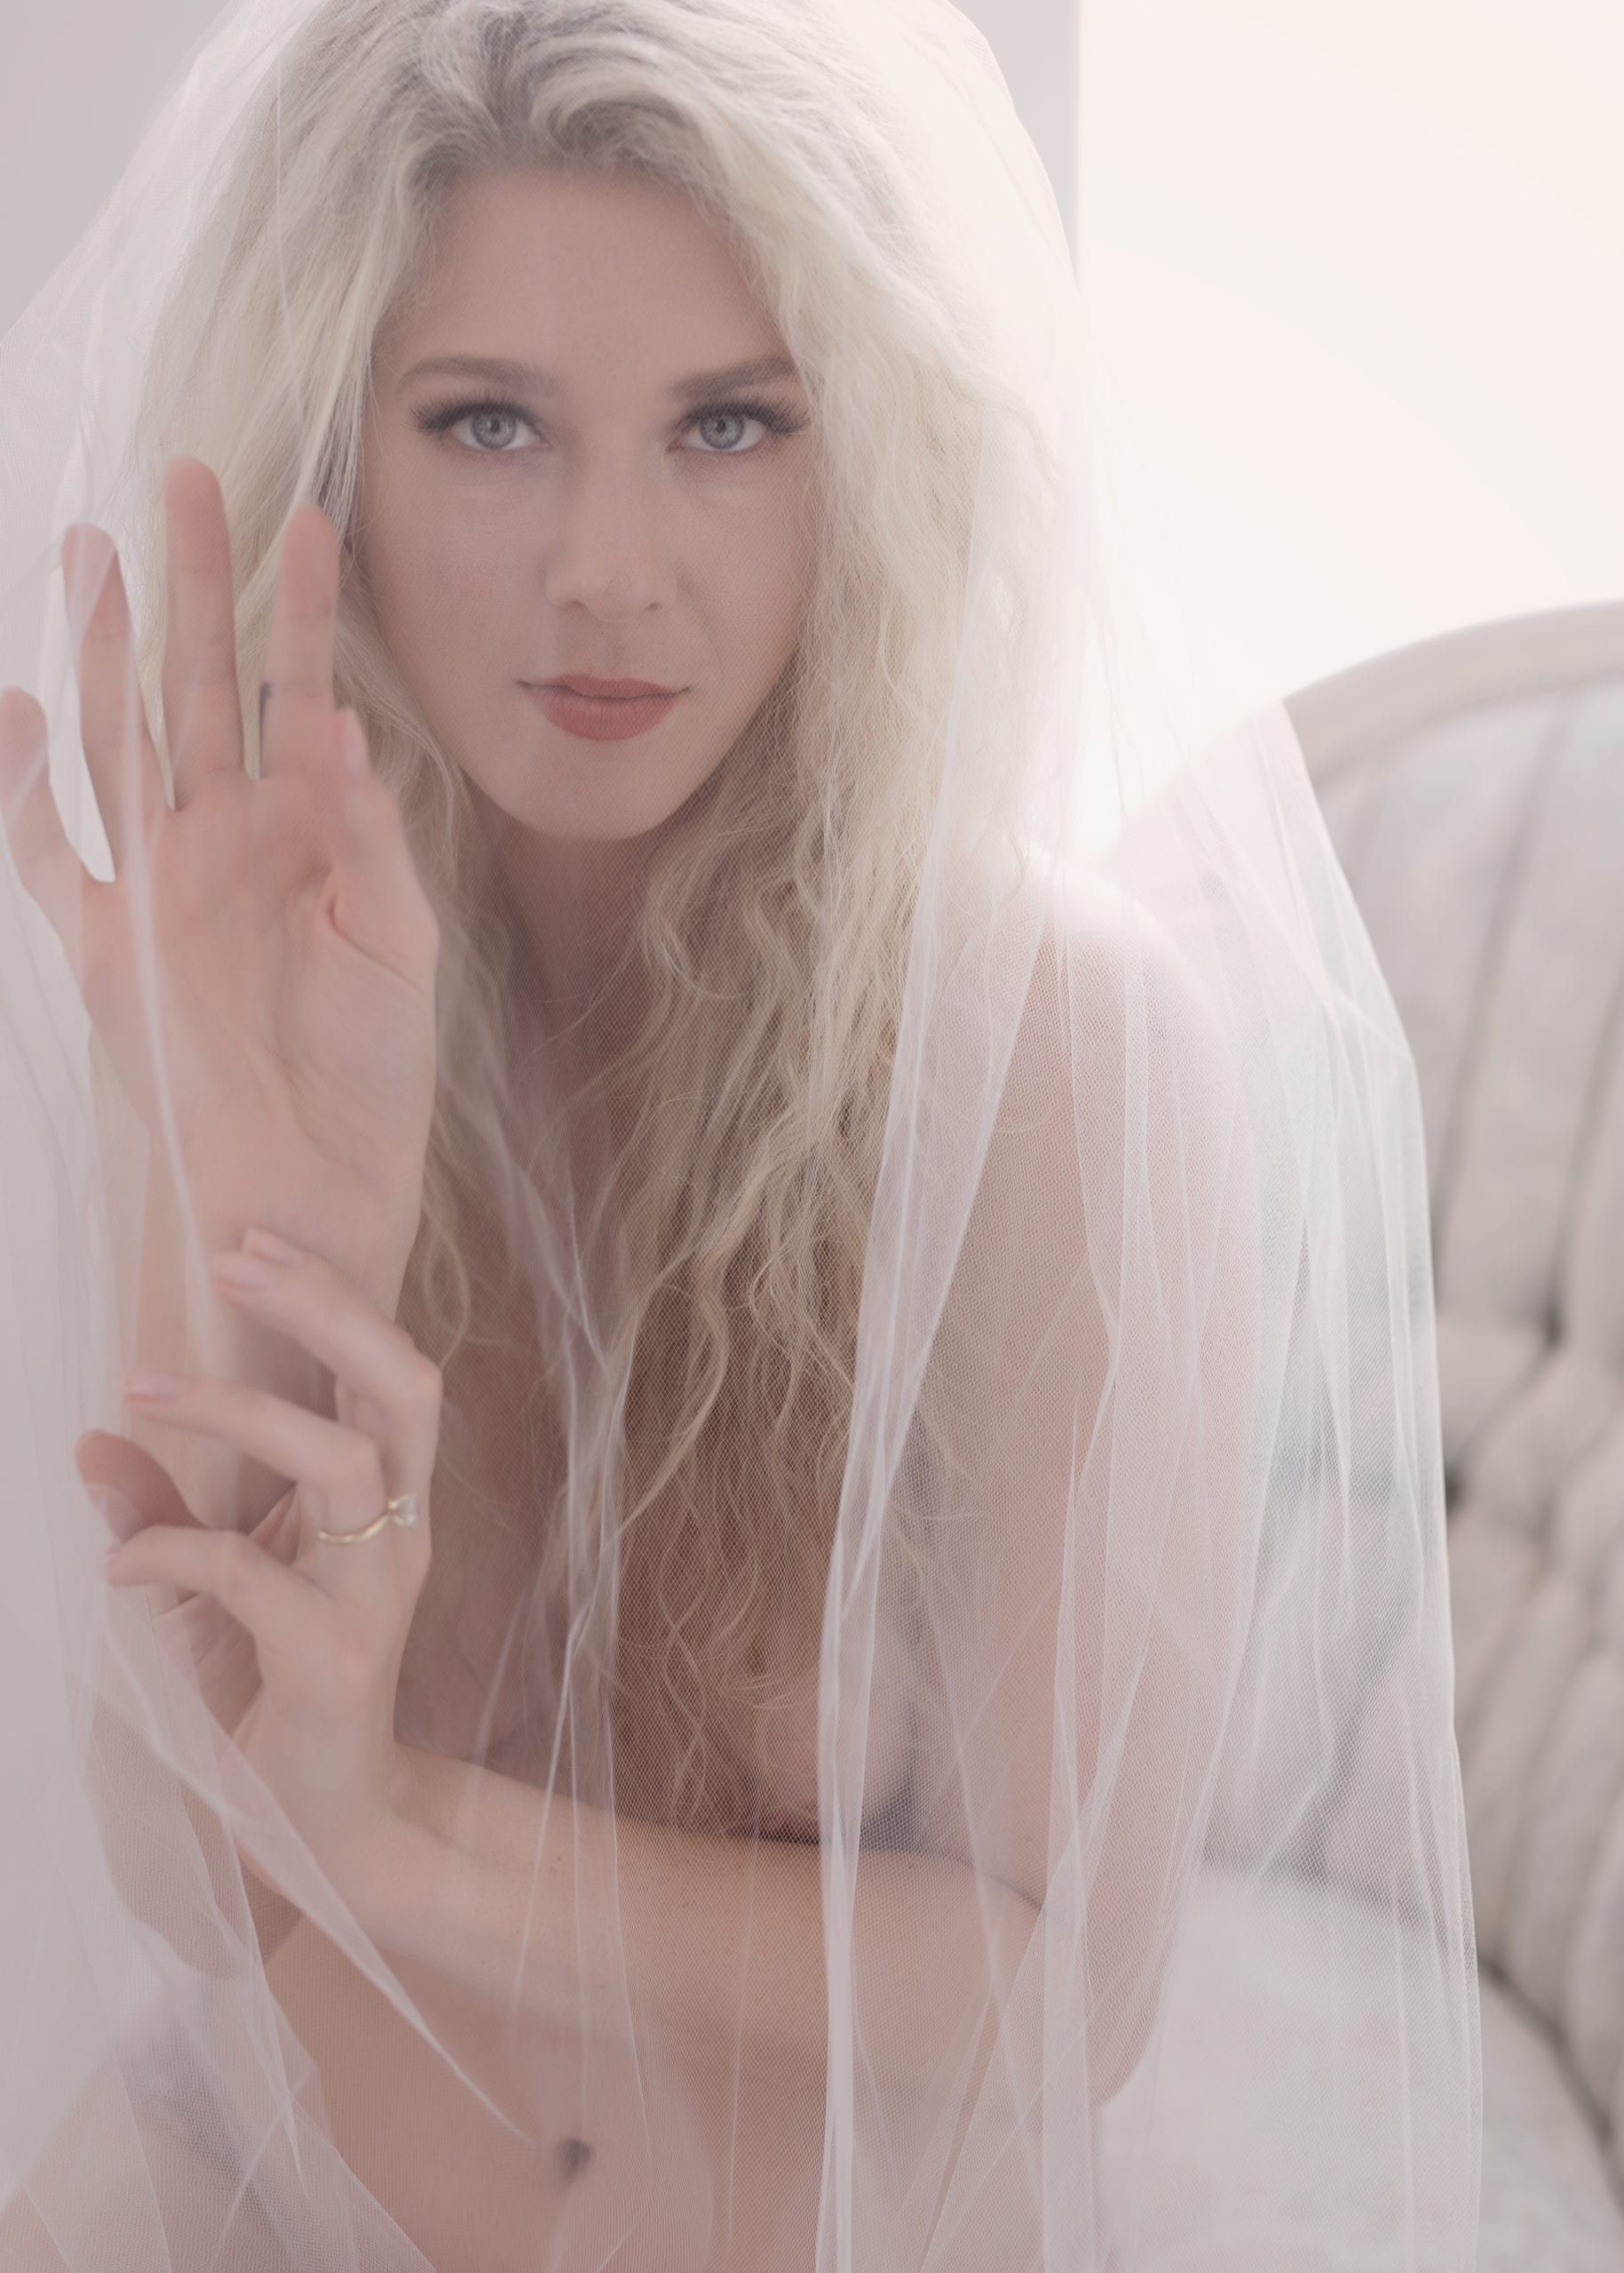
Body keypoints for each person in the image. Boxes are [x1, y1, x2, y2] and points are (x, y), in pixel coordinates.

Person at [0, 1, 1481, 2267]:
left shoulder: (1061, 1050)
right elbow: (188, 1872)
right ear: (335, 461)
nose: (611, 566)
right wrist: (264, 1244)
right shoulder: (246, 986)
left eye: (728, 424)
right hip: (231, 2202)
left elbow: (1061, 1989)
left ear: (865, 450)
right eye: (490, 422)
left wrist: (397, 1827)